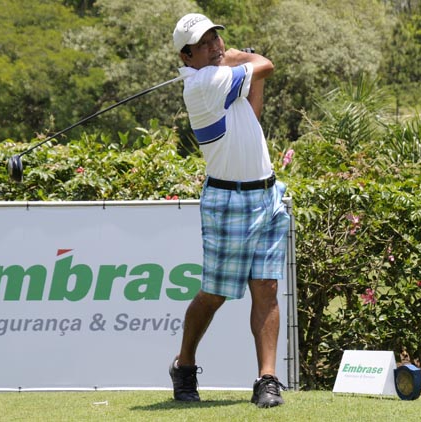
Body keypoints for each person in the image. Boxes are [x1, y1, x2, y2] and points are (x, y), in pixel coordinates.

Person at [169, 13, 290, 408]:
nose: (217, 47)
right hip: (228, 200)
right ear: (187, 57)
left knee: (267, 288)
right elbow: (266, 65)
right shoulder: (203, 83)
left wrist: (241, 64)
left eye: (218, 40)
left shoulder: (219, 77)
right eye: (206, 44)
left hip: (267, 194)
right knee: (216, 293)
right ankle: (184, 364)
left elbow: (251, 115)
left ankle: (267, 379)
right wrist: (242, 56)